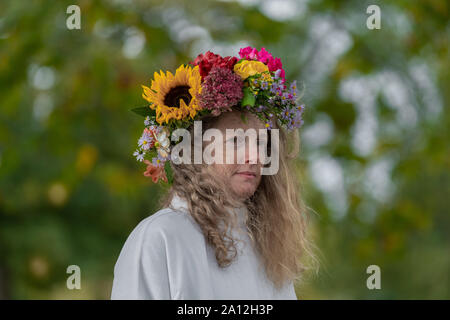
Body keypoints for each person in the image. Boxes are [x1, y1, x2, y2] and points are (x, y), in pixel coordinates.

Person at [111, 47, 314, 299]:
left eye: (261, 143)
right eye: (237, 141)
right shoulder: (160, 236)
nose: (255, 157)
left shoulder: (268, 248)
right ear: (196, 148)